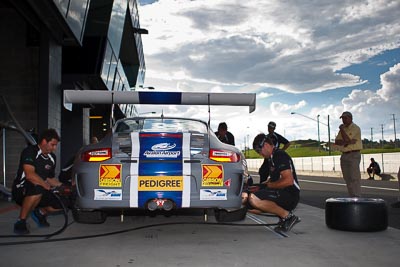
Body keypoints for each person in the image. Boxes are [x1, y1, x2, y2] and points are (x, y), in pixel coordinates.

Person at [242, 134, 301, 232]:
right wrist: (260, 186)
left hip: (290, 194)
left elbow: (288, 181)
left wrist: (270, 185)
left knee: (253, 198)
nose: (260, 154)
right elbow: (273, 179)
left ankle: (288, 217)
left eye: (259, 151)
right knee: (246, 202)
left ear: (265, 145)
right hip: (280, 192)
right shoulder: (271, 158)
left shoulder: (279, 155)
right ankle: (283, 216)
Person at [12, 128, 63, 234]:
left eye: (56, 145)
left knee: (63, 202)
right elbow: (29, 175)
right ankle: (20, 221)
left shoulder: (52, 158)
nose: (54, 148)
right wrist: (45, 184)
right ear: (44, 141)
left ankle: (40, 213)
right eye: (53, 145)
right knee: (37, 187)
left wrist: (64, 187)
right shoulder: (30, 151)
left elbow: (50, 179)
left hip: (41, 189)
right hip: (21, 189)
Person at [334, 111, 363, 197]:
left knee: (354, 177)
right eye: (342, 118)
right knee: (347, 178)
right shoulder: (343, 129)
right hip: (344, 154)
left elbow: (346, 139)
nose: (343, 120)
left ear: (350, 118)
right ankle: (352, 195)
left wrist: (342, 131)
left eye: (345, 118)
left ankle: (357, 196)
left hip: (353, 154)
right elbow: (337, 141)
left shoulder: (355, 128)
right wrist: (347, 142)